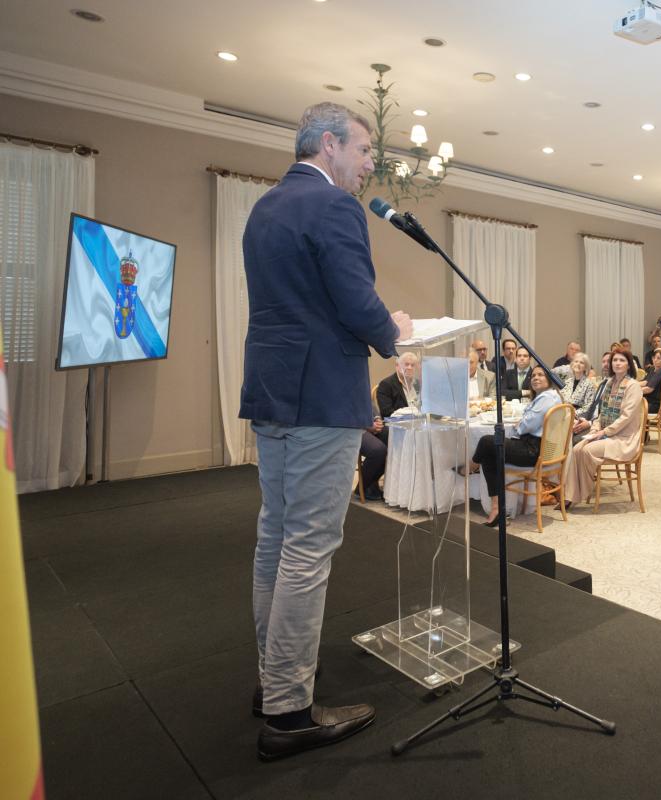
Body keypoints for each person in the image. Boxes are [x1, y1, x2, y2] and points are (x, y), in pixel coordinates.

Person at [240, 102, 412, 759]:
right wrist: (395, 329)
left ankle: (273, 680)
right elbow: (354, 301)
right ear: (330, 145)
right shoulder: (335, 206)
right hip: (319, 397)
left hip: (274, 391)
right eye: (364, 151)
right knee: (309, 548)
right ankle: (289, 712)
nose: (370, 166)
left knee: (276, 540)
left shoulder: (264, 208)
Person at [467, 366, 559, 527]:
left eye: (541, 375)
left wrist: (521, 424)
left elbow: (526, 426)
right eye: (533, 375)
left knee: (486, 441)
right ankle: (496, 509)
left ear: (549, 379)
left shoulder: (547, 398)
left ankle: (471, 467)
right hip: (538, 448)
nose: (535, 378)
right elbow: (529, 422)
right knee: (490, 451)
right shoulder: (551, 396)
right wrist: (522, 422)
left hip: (532, 451)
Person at [563, 350, 643, 506]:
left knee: (586, 451)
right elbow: (602, 413)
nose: (617, 363)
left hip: (624, 439)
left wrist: (604, 432)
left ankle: (575, 495)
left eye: (622, 360)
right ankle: (572, 493)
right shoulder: (609, 383)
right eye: (615, 360)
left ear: (628, 365)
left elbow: (626, 417)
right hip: (607, 434)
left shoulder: (633, 386)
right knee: (577, 449)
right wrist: (595, 430)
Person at [359, 397, 387, 502]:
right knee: (378, 450)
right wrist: (367, 425)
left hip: (367, 423)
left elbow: (368, 400)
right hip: (351, 427)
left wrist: (377, 419)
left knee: (392, 437)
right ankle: (363, 486)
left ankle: (372, 482)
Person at [553, 351, 597, 416]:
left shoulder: (589, 384)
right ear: (572, 364)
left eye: (581, 362)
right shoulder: (567, 382)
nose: (578, 364)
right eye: (576, 361)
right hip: (564, 413)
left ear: (585, 367)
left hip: (577, 417)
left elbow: (587, 408)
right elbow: (561, 399)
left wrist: (572, 413)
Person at [376, 353, 418, 417]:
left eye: (412, 365)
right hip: (399, 421)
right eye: (406, 364)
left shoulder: (417, 383)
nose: (410, 368)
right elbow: (387, 412)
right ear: (397, 366)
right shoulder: (386, 385)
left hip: (419, 420)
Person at [641, 348, 661, 413]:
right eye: (654, 357)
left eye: (658, 358)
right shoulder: (653, 369)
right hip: (649, 401)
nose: (655, 360)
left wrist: (633, 391)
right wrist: (632, 384)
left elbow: (649, 389)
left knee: (631, 406)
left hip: (656, 404)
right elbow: (645, 382)